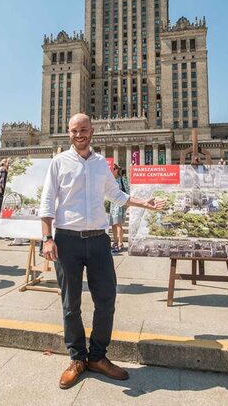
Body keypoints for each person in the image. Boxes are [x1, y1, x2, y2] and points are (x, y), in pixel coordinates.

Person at [39, 113, 165, 390]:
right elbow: (47, 200)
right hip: (67, 240)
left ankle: (97, 356)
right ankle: (77, 358)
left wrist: (146, 203)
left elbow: (116, 195)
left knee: (106, 300)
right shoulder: (59, 162)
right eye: (74, 130)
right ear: (68, 132)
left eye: (83, 130)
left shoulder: (100, 164)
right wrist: (47, 238)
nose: (79, 135)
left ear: (92, 131)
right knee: (70, 303)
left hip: (98, 241)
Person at [109, 164, 130, 253]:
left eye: (113, 169)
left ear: (117, 170)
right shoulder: (109, 180)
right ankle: (115, 242)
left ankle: (121, 243)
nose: (111, 171)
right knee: (113, 224)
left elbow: (128, 191)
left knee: (118, 224)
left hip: (119, 203)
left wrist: (127, 203)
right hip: (111, 204)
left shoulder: (122, 179)